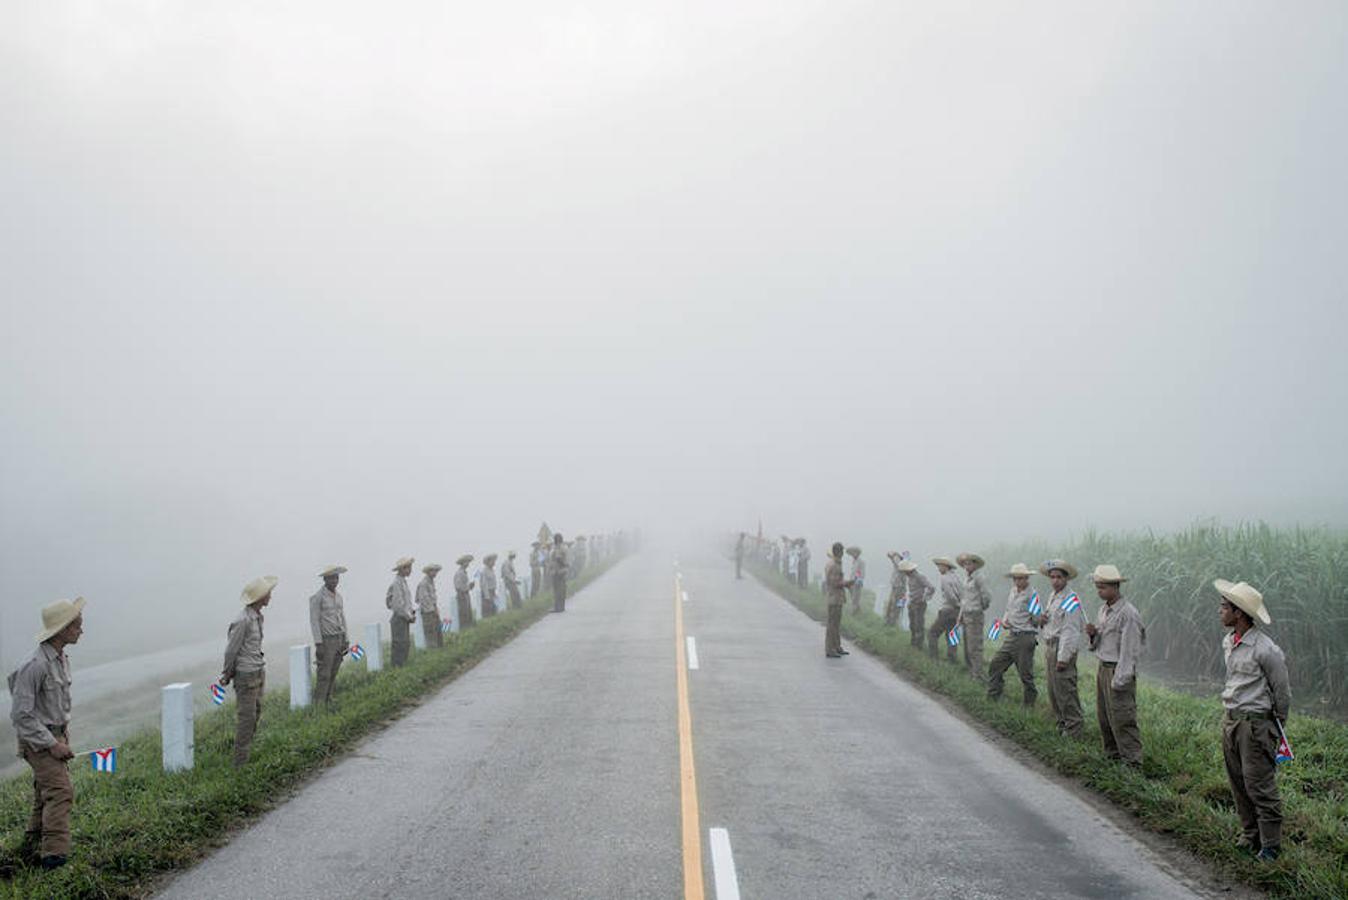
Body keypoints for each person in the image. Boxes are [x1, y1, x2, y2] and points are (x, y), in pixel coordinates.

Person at [1215, 579, 1290, 861]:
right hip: (1232, 720)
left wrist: (1273, 727)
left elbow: (1282, 692)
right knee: (1238, 782)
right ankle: (1250, 835)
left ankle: (1271, 844)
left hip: (1256, 725)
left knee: (1259, 784)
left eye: (1224, 607)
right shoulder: (1229, 642)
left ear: (1239, 613)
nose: (1219, 611)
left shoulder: (1265, 649)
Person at [8, 597, 85, 870]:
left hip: (55, 735)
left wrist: (62, 736)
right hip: (39, 741)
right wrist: (52, 744)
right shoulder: (35, 665)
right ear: (62, 629)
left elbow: (54, 705)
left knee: (45, 793)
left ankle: (30, 848)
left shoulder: (61, 659)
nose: (81, 630)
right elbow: (21, 714)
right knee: (61, 792)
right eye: (76, 625)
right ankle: (54, 859)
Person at [1085, 564, 1145, 767]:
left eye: (1103, 587)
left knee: (1122, 717)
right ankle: (1112, 756)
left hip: (1118, 670)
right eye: (1098, 587)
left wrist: (1120, 681)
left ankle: (1132, 762)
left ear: (1115, 587)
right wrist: (1093, 635)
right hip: (1104, 667)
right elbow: (1100, 643)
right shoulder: (1104, 610)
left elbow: (1130, 651)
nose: (1099, 591)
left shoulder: (1128, 614)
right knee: (1105, 716)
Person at [222, 576, 274, 766]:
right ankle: (240, 762)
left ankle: (246, 752)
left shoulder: (258, 617)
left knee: (256, 713)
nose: (270, 595)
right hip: (245, 675)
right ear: (260, 597)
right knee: (247, 718)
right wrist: (226, 674)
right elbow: (232, 650)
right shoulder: (242, 621)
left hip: (258, 670)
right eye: (268, 593)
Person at [1040, 559, 1085, 737]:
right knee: (1053, 690)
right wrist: (1043, 621)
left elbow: (1070, 630)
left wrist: (1063, 657)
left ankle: (1074, 728)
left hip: (1061, 647)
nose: (1055, 580)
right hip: (1050, 646)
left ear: (1066, 578)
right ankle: (1062, 724)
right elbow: (1053, 622)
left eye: (1059, 577)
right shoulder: (1053, 596)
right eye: (1052, 577)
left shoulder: (1070, 599)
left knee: (1065, 690)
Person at [986, 563, 1039, 706]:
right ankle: (994, 696)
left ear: (1027, 578)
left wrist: (1034, 622)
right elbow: (1008, 610)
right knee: (996, 664)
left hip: (1025, 636)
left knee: (1025, 675)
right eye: (1015, 579)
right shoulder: (1013, 591)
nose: (1018, 581)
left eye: (1021, 578)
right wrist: (1005, 621)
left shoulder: (1032, 595)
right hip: (1012, 635)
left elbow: (1036, 619)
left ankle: (1029, 705)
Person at [310, 566, 349, 706]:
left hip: (339, 637)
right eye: (331, 578)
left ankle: (329, 697)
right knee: (324, 673)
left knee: (334, 670)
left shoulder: (338, 597)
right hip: (326, 640)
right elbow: (314, 621)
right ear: (325, 579)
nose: (334, 581)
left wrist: (346, 638)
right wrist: (318, 643)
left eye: (336, 577)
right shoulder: (318, 597)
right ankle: (319, 703)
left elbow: (342, 617)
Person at [956, 553, 991, 682]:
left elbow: (986, 596)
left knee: (975, 646)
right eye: (965, 564)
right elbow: (964, 599)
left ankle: (978, 674)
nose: (967, 566)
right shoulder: (967, 578)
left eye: (969, 563)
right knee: (967, 645)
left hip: (975, 614)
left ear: (975, 564)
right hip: (966, 613)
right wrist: (960, 615)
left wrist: (979, 608)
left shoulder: (979, 577)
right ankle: (972, 671)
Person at [824, 543, 857, 658]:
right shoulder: (834, 566)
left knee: (836, 624)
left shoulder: (834, 563)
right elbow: (835, 583)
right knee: (832, 625)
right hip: (834, 598)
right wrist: (847, 583)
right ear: (840, 552)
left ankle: (836, 646)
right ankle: (830, 648)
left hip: (836, 597)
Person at [929, 557, 962, 662]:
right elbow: (962, 593)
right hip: (956, 611)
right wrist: (960, 606)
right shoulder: (957, 577)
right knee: (951, 634)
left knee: (932, 633)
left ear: (945, 566)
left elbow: (950, 595)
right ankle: (952, 658)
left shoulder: (944, 578)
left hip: (947, 609)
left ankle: (933, 658)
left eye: (939, 566)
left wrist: (956, 604)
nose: (938, 568)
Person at [387, 557, 416, 666]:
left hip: (404, 618)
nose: (410, 570)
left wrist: (411, 613)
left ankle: (402, 667)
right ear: (402, 569)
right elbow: (398, 605)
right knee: (400, 645)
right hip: (400, 618)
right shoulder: (397, 583)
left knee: (405, 644)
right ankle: (397, 669)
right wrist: (409, 616)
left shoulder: (403, 582)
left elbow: (405, 602)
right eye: (408, 568)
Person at [900, 559, 933, 649]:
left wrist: (925, 597)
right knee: (912, 624)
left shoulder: (919, 576)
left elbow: (930, 587)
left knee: (919, 625)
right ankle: (913, 642)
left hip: (919, 603)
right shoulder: (910, 578)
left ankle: (919, 645)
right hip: (912, 602)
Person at [417, 564, 444, 648]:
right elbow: (424, 599)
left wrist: (435, 608)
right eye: (433, 571)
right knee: (430, 632)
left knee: (437, 631)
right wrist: (433, 610)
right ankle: (433, 651)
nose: (435, 573)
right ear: (428, 572)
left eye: (436, 571)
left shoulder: (431, 582)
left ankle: (439, 649)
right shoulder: (424, 583)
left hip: (433, 610)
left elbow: (432, 598)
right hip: (428, 612)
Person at [548, 533, 569, 612]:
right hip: (559, 571)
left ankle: (558, 607)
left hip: (559, 571)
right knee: (560, 590)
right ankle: (560, 607)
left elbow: (559, 559)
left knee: (558, 590)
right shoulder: (561, 547)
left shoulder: (560, 548)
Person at [453, 555, 476, 629]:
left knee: (468, 612)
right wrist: (468, 587)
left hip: (465, 594)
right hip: (462, 595)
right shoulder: (460, 573)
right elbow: (459, 587)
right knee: (464, 613)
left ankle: (468, 627)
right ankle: (465, 628)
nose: (468, 564)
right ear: (462, 563)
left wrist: (469, 586)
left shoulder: (463, 572)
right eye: (467, 562)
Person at [884, 552, 906, 626]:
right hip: (895, 586)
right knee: (891, 604)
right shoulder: (897, 566)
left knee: (895, 605)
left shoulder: (902, 566)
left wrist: (894, 556)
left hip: (899, 588)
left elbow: (899, 565)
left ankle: (892, 621)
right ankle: (888, 619)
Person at [846, 546, 866, 614]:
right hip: (852, 581)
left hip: (857, 582)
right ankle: (858, 611)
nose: (853, 555)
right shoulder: (854, 561)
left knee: (855, 598)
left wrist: (857, 581)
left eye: (854, 553)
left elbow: (861, 573)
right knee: (853, 597)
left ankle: (853, 612)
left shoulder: (861, 562)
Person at [480, 553, 500, 618]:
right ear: (488, 562)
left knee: (494, 608)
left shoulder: (491, 570)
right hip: (487, 592)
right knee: (488, 609)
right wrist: (487, 596)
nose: (494, 563)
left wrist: (494, 592)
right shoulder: (484, 571)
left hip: (492, 591)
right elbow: (484, 584)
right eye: (492, 561)